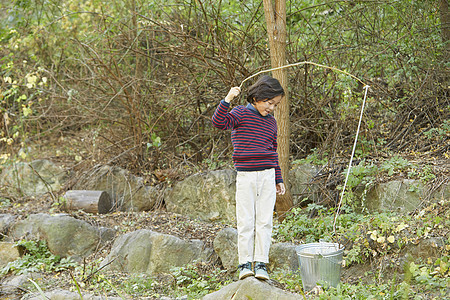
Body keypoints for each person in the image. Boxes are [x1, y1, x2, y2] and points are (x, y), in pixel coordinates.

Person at [211, 75, 286, 281]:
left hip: (267, 176)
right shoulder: (240, 113)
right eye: (269, 103)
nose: (271, 108)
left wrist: (278, 178)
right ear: (257, 97)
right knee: (246, 221)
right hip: (246, 176)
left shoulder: (271, 122)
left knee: (265, 221)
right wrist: (227, 99)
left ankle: (261, 263)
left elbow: (273, 151)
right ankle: (245, 264)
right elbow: (218, 122)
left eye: (275, 105)